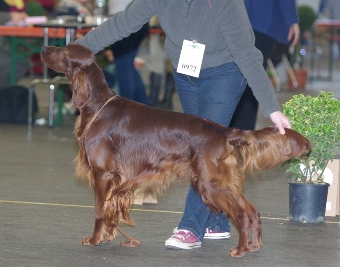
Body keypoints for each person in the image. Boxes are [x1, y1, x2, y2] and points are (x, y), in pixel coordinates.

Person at [74, 0, 291, 250]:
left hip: (225, 72)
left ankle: (191, 226)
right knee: (197, 150)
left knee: (201, 149)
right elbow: (123, 22)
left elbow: (246, 52)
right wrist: (78, 48)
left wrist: (271, 107)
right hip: (185, 71)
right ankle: (217, 221)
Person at [229, 0, 300, 130]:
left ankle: (236, 137)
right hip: (261, 20)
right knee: (249, 82)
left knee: (240, 80)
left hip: (238, 18)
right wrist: (291, 19)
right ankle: (242, 138)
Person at [108, 0, 150, 105]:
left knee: (123, 66)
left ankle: (127, 106)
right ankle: (143, 104)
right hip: (141, 18)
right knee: (128, 65)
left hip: (122, 19)